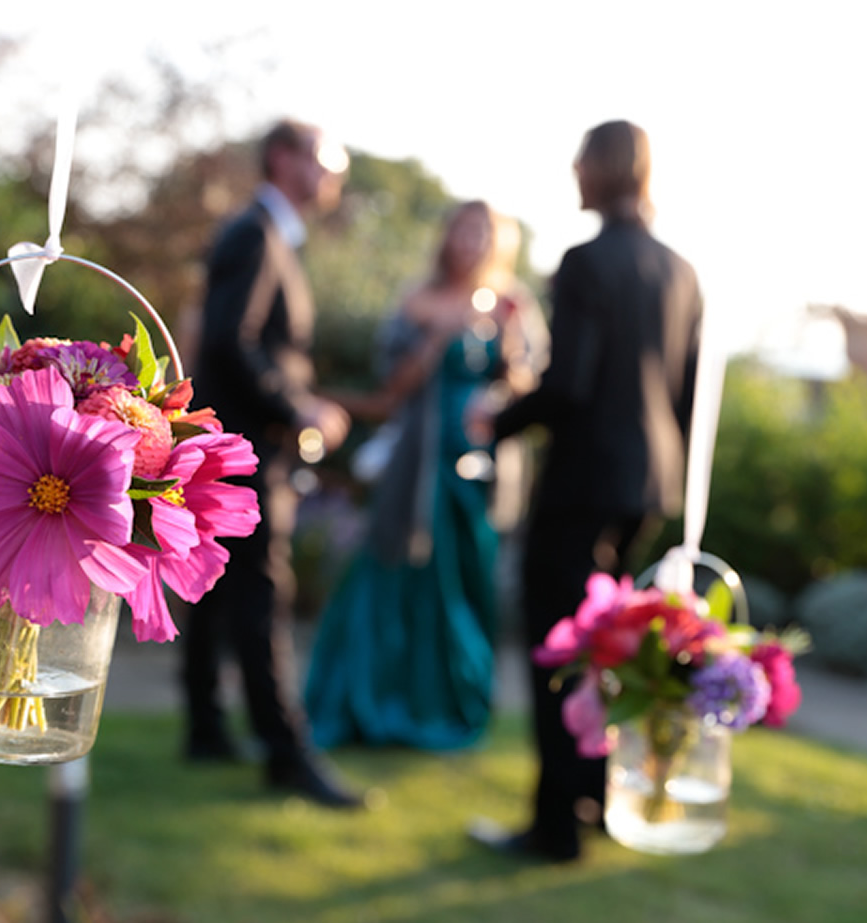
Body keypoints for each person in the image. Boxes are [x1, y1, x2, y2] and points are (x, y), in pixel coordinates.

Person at [468, 120, 703, 862]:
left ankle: (553, 827)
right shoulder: (682, 270)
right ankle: (596, 799)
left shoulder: (585, 262)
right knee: (611, 646)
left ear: (599, 170)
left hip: (583, 485)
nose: (573, 170)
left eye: (579, 160)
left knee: (560, 649)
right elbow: (688, 397)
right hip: (649, 486)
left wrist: (496, 421)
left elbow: (567, 384)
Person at [303, 200, 548, 750]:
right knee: (395, 573)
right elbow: (393, 388)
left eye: (482, 233)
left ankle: (449, 704)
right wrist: (441, 336)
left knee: (464, 582)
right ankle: (371, 701)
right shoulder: (418, 299)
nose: (471, 241)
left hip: (479, 472)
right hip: (419, 465)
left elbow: (529, 389)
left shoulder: (514, 304)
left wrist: (507, 353)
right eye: (463, 229)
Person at [181, 118, 360, 808]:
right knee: (259, 592)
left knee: (218, 584)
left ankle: (204, 727)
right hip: (247, 449)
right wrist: (303, 406)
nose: (333, 175)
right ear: (284, 159)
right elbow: (233, 343)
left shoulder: (265, 234)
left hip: (246, 442)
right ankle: (287, 753)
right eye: (325, 160)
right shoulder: (255, 233)